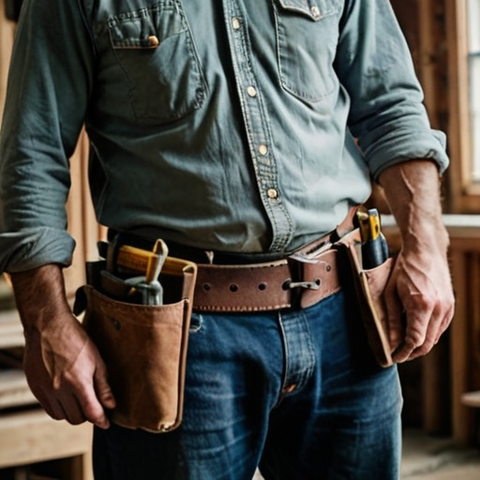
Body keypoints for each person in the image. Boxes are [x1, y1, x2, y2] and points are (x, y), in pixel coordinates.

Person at [0, 0, 454, 478]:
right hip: (177, 334)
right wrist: (45, 324)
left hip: (346, 313)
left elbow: (391, 106)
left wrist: (427, 247)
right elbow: (32, 155)